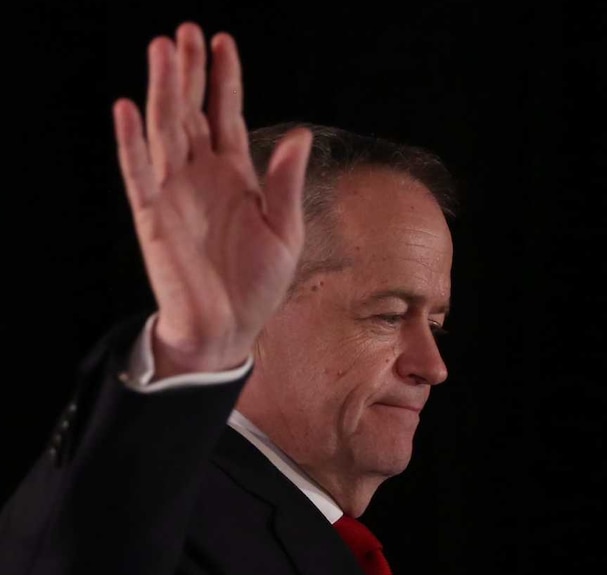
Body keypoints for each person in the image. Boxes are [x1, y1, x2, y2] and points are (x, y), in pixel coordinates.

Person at [0, 21, 457, 575]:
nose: (433, 368)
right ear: (257, 306)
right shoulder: (166, 518)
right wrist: (194, 350)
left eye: (434, 324)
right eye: (388, 316)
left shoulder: (324, 538)